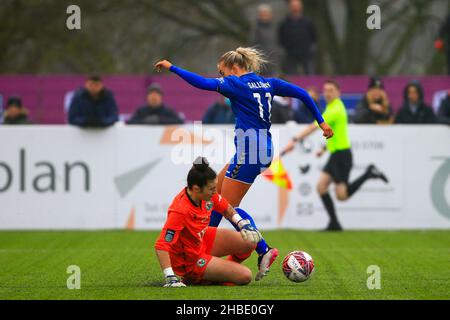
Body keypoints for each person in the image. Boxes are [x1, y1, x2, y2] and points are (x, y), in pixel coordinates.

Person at [154, 47, 333, 279]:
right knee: (216, 189)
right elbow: (302, 93)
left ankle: (264, 250)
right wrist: (321, 122)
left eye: (222, 71)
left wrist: (172, 68)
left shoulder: (235, 84)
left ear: (234, 67)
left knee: (228, 206)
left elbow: (200, 83)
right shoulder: (269, 83)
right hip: (264, 149)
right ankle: (207, 240)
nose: (222, 76)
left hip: (250, 150)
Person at [281, 80, 389, 231]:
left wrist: (295, 140)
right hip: (335, 154)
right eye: (325, 90)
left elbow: (314, 126)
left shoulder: (336, 108)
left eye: (331, 90)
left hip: (342, 155)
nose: (327, 93)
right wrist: (324, 149)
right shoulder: (331, 107)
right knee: (321, 187)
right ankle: (334, 223)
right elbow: (334, 133)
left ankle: (369, 173)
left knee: (342, 196)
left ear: (338, 92)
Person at [154, 157, 262, 287]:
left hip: (201, 239)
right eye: (211, 189)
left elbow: (227, 209)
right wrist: (170, 277)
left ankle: (215, 273)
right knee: (245, 276)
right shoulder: (180, 210)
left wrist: (242, 224)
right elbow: (161, 245)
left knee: (251, 241)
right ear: (196, 189)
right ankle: (196, 277)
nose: (215, 192)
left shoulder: (208, 195)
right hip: (190, 259)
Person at [278, 0, 318, 75]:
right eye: (293, 6)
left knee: (310, 75)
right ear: (289, 7)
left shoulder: (308, 22)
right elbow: (281, 38)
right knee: (292, 77)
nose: (295, 8)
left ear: (301, 7)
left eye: (297, 6)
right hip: (290, 55)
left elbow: (314, 36)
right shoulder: (284, 23)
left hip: (307, 54)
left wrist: (311, 48)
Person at [250, 4, 279, 76]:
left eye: (266, 14)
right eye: (262, 14)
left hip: (273, 60)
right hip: (259, 61)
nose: (264, 16)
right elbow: (252, 44)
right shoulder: (255, 29)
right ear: (259, 15)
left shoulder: (275, 28)